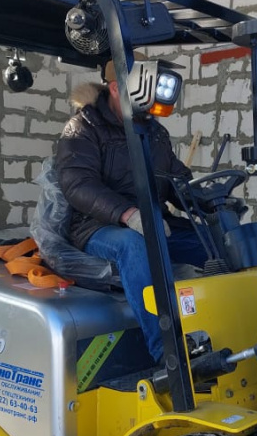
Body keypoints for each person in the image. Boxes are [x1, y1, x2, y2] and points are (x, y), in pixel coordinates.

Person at [54, 59, 208, 363]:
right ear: (115, 87)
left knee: (216, 243)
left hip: (152, 221)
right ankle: (167, 353)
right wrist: (127, 214)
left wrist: (210, 202)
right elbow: (78, 185)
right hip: (96, 226)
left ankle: (226, 331)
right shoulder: (82, 128)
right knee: (137, 246)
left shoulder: (153, 132)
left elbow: (174, 178)